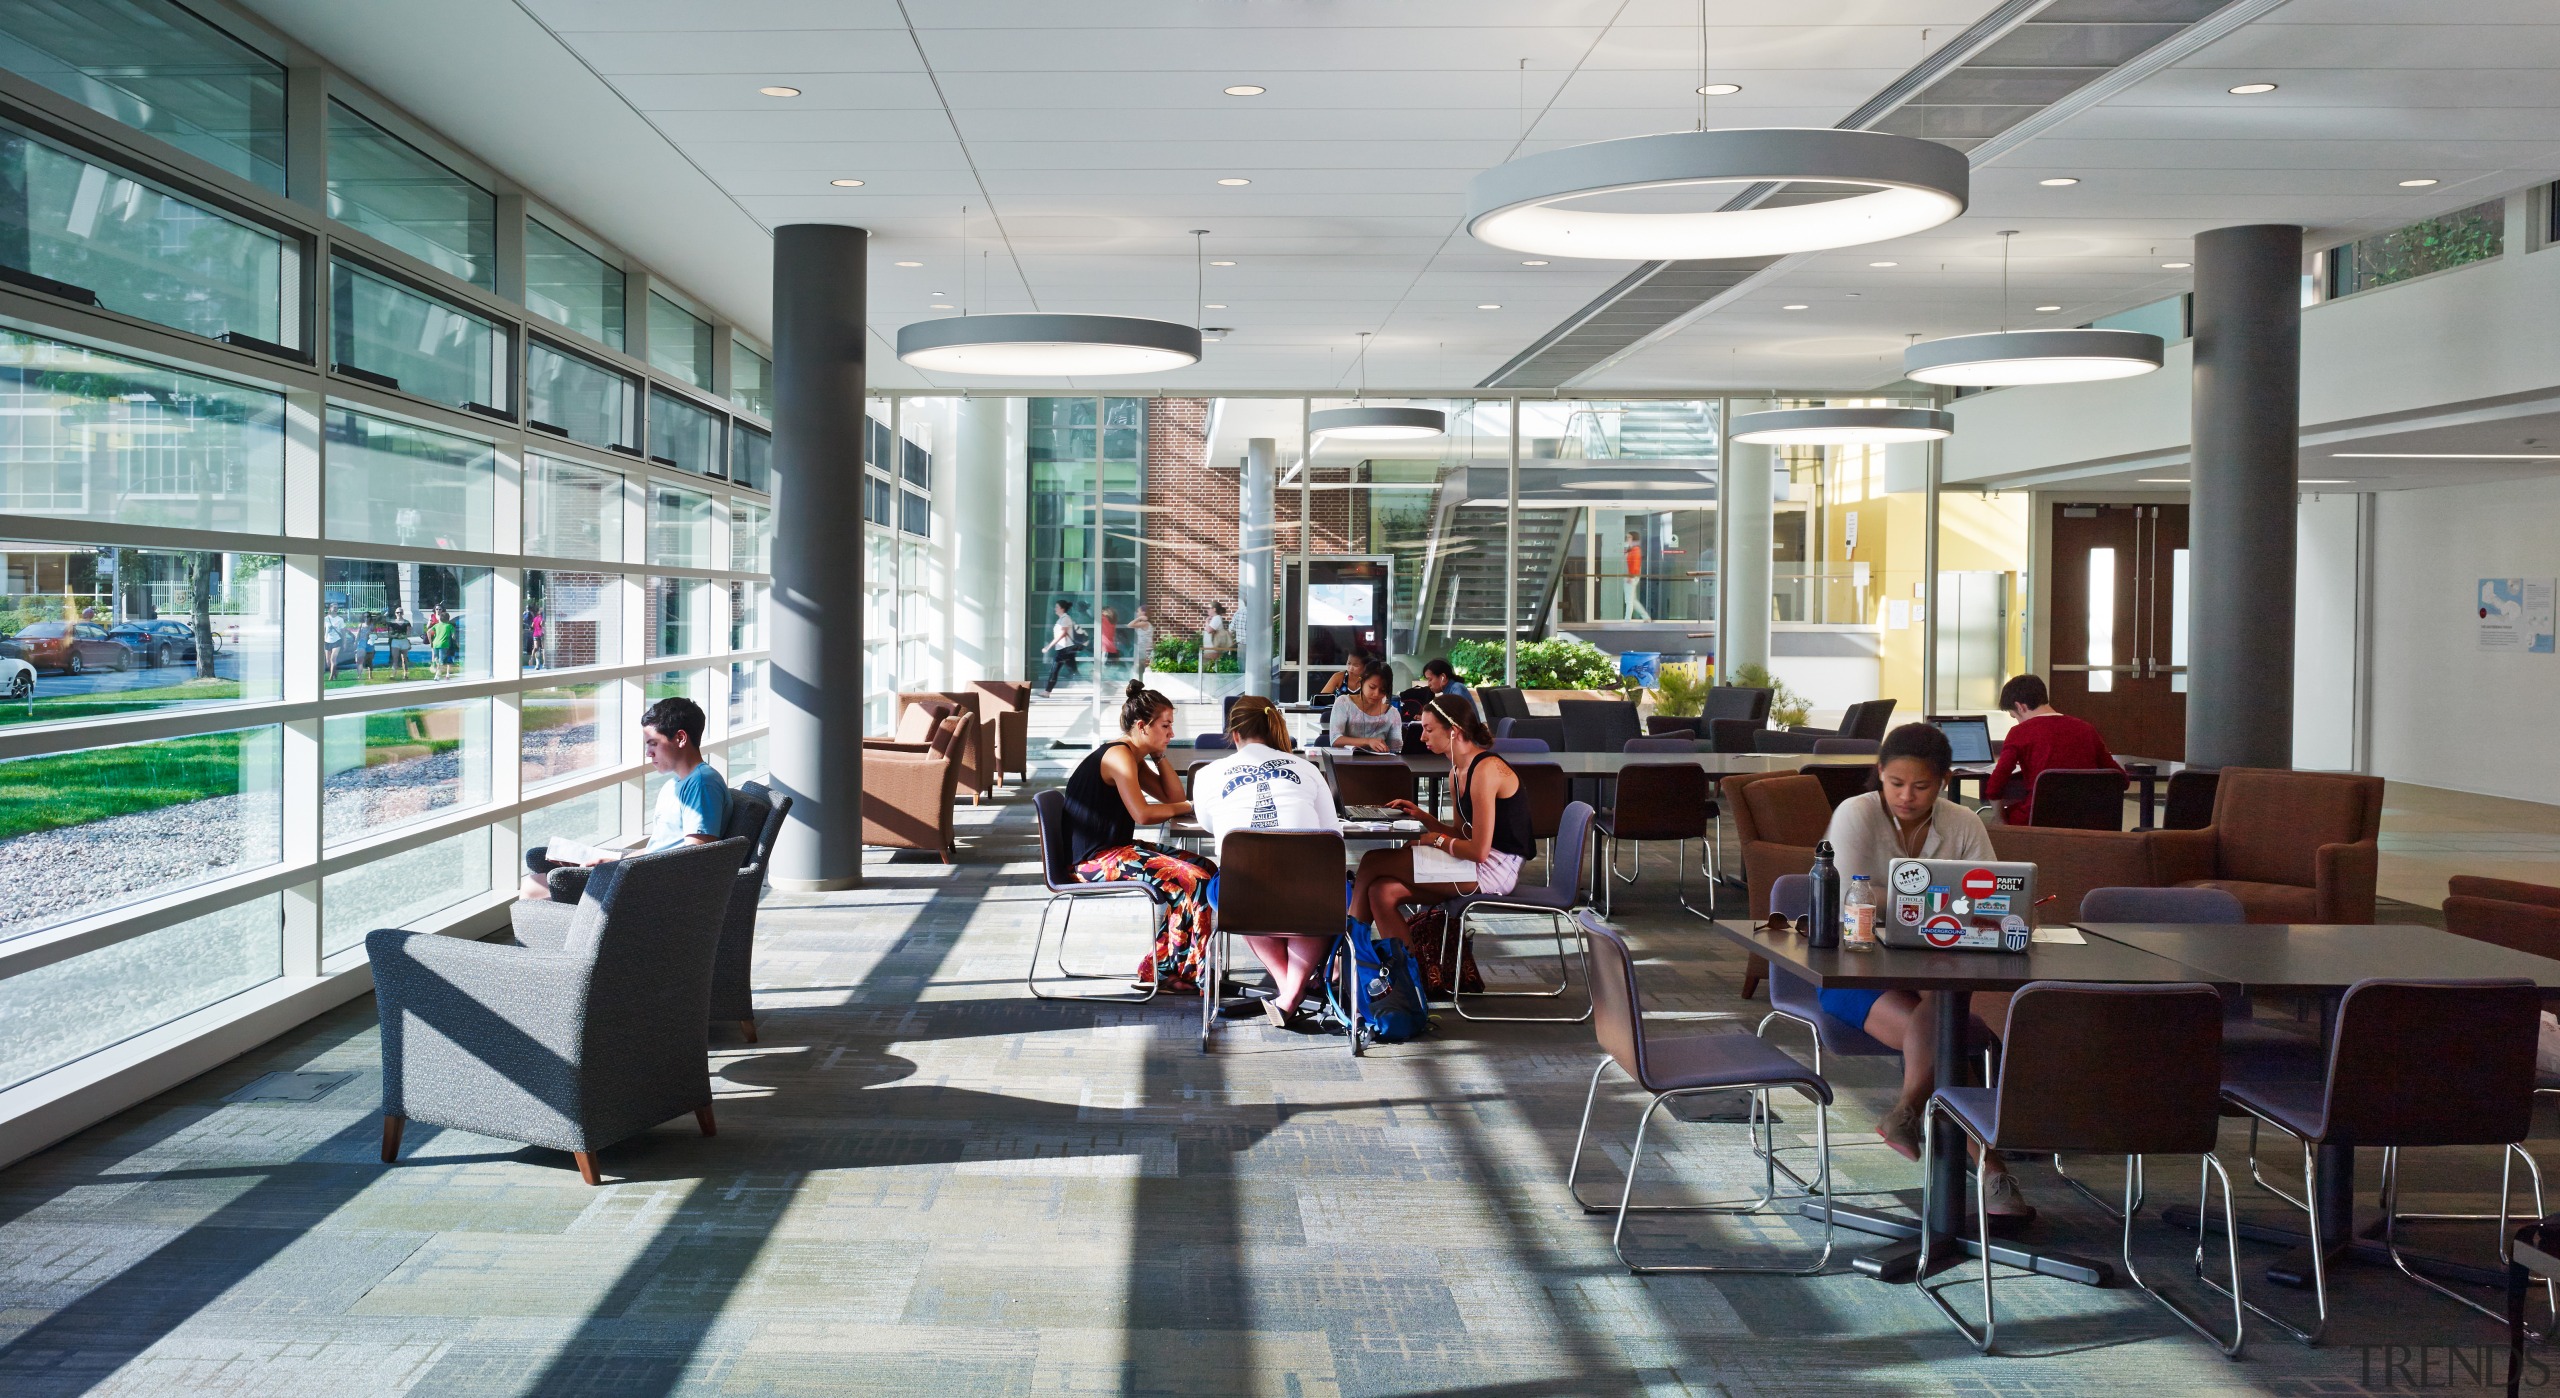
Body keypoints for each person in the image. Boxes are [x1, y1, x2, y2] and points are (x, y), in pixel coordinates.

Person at [1814, 721, 2033, 1224]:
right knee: (1947, 1040)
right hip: (1856, 974)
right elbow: (1854, 895)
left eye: (1921, 786)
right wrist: (1945, 905)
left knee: (1944, 1015)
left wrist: (1940, 907)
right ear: (1880, 775)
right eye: (1895, 784)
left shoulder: (1962, 823)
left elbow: (1997, 895)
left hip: (1935, 973)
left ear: (1945, 782)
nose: (1906, 797)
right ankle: (1990, 1167)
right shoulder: (1856, 813)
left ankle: (1906, 1111)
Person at [1194, 698, 1341, 1027]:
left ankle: (1288, 989)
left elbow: (1208, 824)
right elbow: (1333, 834)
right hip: (1311, 896)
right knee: (1325, 890)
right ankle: (1293, 988)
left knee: (1230, 885)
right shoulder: (1307, 769)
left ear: (1234, 735)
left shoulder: (1206, 774)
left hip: (1246, 897)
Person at [1061, 681, 1216, 991]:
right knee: (1193, 880)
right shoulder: (1118, 756)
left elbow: (1171, 795)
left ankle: (1163, 966)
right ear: (1143, 726)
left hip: (1117, 851)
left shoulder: (1133, 754)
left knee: (1206, 870)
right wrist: (1187, 806)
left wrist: (1159, 756)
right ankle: (1182, 972)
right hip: (1094, 861)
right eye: (1166, 725)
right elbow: (1143, 814)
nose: (1172, 733)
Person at [1348, 692, 1530, 955]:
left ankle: (1345, 960)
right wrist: (1425, 818)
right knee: (1381, 892)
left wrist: (1431, 839)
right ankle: (1409, 976)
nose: (1422, 737)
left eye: (1428, 729)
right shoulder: (1457, 770)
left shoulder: (1486, 770)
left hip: (1495, 869)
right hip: (1477, 862)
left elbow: (1478, 851)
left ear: (1454, 731)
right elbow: (1460, 833)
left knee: (1372, 862)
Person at [520, 696, 730, 901]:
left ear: (681, 738)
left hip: (654, 886)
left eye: (653, 743)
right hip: (643, 874)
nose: (648, 753)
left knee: (533, 887)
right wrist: (614, 860)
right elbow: (659, 849)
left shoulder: (702, 784)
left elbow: (698, 856)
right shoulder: (675, 785)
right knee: (542, 869)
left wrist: (619, 867)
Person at [1984, 673, 2123, 825]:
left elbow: (1994, 787)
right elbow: (2120, 779)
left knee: (1997, 822)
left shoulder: (2019, 732)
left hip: (2038, 818)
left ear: (2020, 707)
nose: (2017, 721)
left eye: (2014, 716)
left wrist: (2000, 819)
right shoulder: (2086, 729)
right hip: (2090, 820)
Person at [1327, 665, 1403, 753]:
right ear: (1361, 682)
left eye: (1382, 690)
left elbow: (1396, 749)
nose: (1376, 694)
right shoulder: (1344, 702)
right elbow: (1335, 739)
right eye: (1372, 687)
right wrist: (1368, 741)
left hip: (1379, 764)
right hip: (1346, 762)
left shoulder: (1392, 713)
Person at [1041, 599, 1082, 694]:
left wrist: (1048, 646)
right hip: (1065, 650)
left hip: (1064, 649)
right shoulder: (1061, 619)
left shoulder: (1065, 619)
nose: (1055, 609)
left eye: (1057, 607)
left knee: (1054, 671)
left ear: (1062, 609)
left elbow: (1062, 634)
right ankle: (1096, 685)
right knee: (1074, 672)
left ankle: (1047, 692)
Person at [1622, 530, 1651, 621]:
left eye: (1629, 537)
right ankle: (1646, 617)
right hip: (1630, 576)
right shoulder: (1631, 549)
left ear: (1634, 538)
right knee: (1633, 600)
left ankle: (1627, 620)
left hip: (1631, 577)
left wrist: (1631, 577)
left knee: (1629, 600)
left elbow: (1635, 565)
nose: (1628, 539)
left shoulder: (1636, 550)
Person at [425, 607, 458, 681]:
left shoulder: (436, 625)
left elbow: (428, 632)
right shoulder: (450, 626)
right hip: (444, 645)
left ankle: (434, 665)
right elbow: (453, 637)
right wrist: (454, 639)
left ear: (440, 619)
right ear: (448, 619)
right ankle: (437, 675)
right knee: (441, 661)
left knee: (437, 658)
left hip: (435, 643)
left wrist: (431, 641)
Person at [1130, 607, 1155, 680]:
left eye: (1138, 611)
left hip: (1144, 650)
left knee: (1139, 671)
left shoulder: (1144, 623)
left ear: (1143, 613)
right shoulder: (1147, 623)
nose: (1137, 613)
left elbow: (1130, 625)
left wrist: (1138, 618)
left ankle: (1139, 687)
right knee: (1141, 671)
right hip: (1146, 649)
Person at [1097, 606, 1120, 673]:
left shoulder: (1103, 619)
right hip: (1110, 646)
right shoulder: (1112, 621)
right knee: (1107, 666)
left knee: (1103, 666)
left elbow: (1096, 616)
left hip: (1105, 646)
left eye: (1102, 611)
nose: (1101, 612)